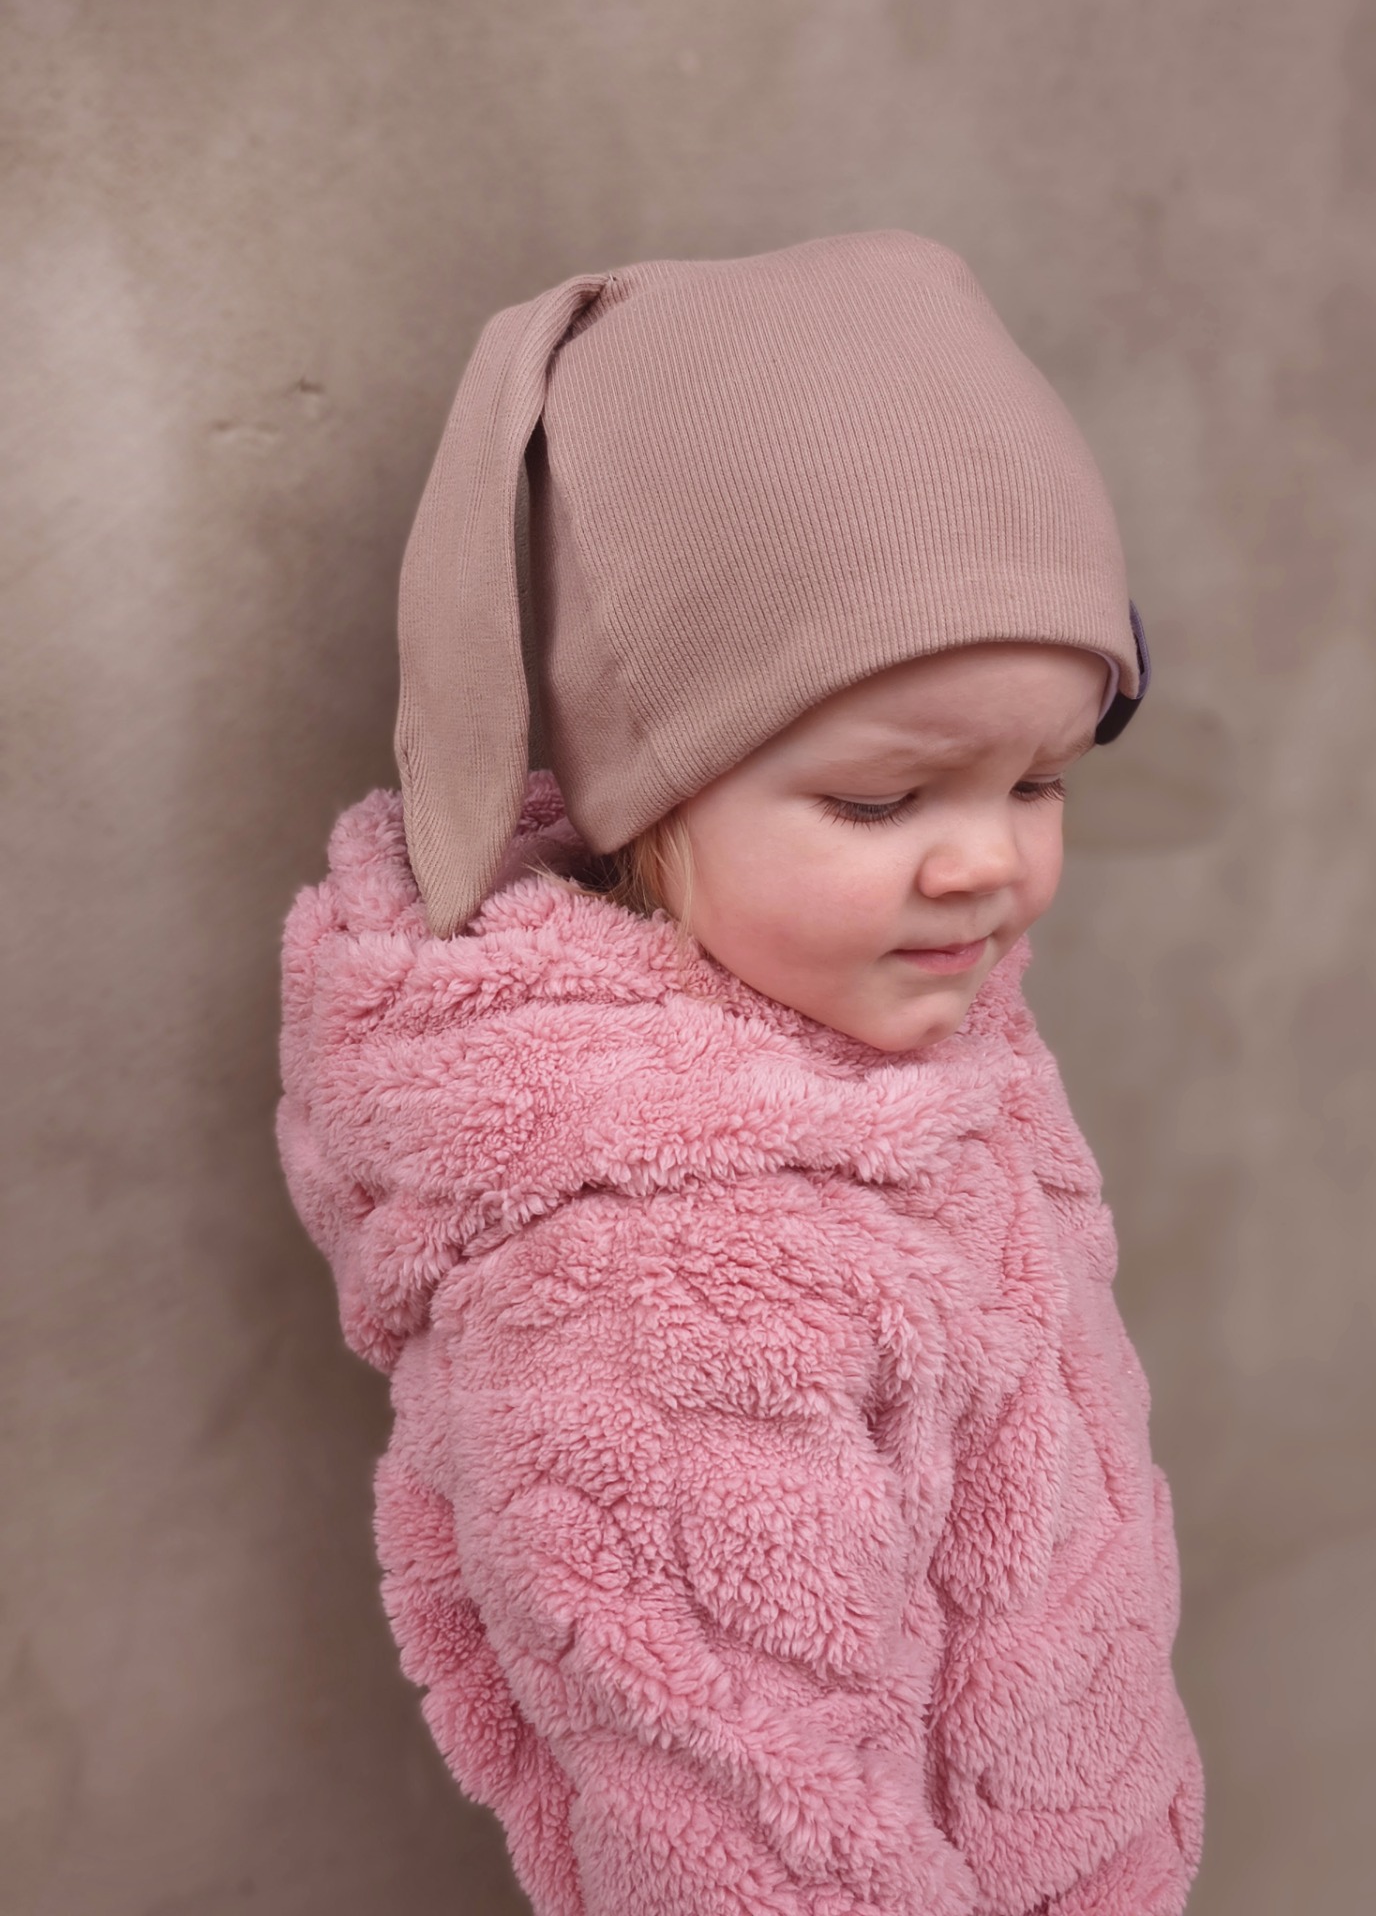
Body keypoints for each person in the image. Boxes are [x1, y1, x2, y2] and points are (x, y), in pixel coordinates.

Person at [276, 229, 1204, 1915]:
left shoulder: (894, 1030)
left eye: (1040, 782)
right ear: (652, 790)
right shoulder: (654, 1280)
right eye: (882, 800)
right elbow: (746, 1834)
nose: (987, 865)